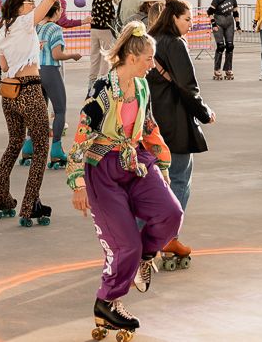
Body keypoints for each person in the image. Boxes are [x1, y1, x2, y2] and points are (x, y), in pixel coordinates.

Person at [68, 23, 181, 340]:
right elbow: (82, 133)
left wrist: (163, 161)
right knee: (125, 245)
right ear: (131, 57)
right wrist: (77, 183)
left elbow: (149, 126)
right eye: (148, 59)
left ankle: (145, 257)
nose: (152, 65)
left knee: (171, 214)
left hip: (136, 162)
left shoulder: (142, 88)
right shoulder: (102, 90)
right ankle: (107, 302)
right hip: (103, 169)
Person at [0, 0, 72, 223]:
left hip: (8, 93)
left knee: (14, 144)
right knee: (40, 147)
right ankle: (30, 205)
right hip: (29, 91)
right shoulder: (25, 23)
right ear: (19, 7)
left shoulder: (3, 30)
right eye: (30, 3)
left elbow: (3, 64)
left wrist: (29, 53)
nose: (34, 5)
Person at [146, 0, 208, 270]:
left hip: (148, 121)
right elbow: (187, 85)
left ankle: (138, 239)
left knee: (147, 184)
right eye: (187, 19)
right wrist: (204, 112)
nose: (191, 24)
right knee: (180, 178)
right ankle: (169, 236)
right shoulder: (175, 44)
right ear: (174, 18)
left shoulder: (149, 40)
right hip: (174, 121)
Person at [21, 0, 82, 169]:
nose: (61, 12)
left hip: (36, 70)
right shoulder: (55, 28)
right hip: (51, 71)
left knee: (39, 111)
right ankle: (56, 150)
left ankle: (28, 147)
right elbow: (56, 55)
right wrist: (73, 55)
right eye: (60, 10)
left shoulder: (37, 27)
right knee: (60, 110)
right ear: (55, 11)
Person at [207, 0, 240, 80]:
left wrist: (238, 25)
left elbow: (235, 12)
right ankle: (217, 69)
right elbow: (210, 12)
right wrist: (213, 24)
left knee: (230, 46)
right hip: (218, 22)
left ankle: (228, 69)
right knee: (221, 46)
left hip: (229, 22)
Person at [88, 0, 119, 80]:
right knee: (106, 56)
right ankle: (103, 79)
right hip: (104, 30)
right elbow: (109, 16)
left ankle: (91, 81)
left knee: (94, 56)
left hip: (93, 29)